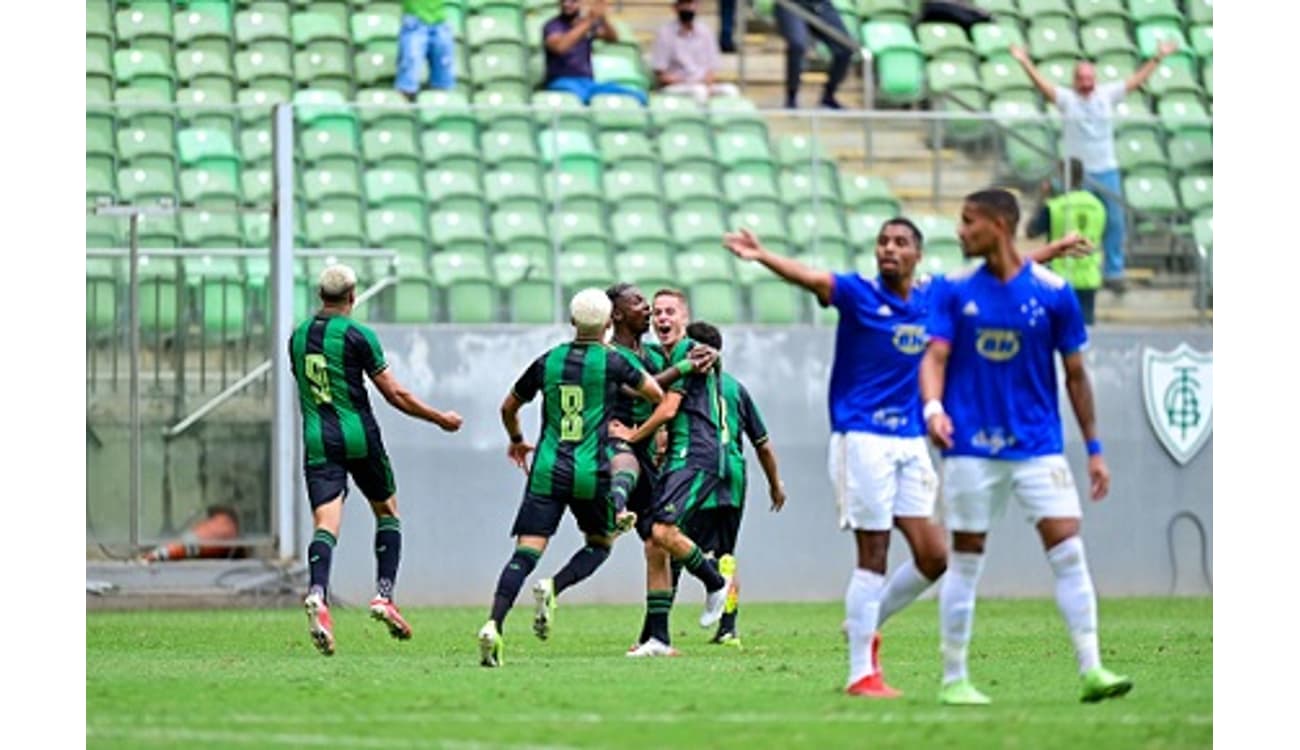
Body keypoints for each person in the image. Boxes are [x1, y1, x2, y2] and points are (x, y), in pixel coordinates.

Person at [722, 218, 1088, 695]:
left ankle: (865, 621)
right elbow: (812, 278)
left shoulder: (936, 296)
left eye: (900, 243)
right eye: (882, 242)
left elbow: (999, 278)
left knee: (935, 555)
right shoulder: (858, 293)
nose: (888, 249)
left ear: (917, 254)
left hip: (913, 440)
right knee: (873, 553)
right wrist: (763, 255)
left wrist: (1053, 250)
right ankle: (860, 672)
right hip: (863, 436)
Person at [919, 188, 1132, 705]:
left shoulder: (1055, 294)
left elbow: (1077, 376)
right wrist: (933, 409)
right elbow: (935, 358)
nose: (959, 231)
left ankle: (1093, 669)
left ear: (999, 224)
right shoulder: (953, 290)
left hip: (1039, 448)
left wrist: (1096, 449)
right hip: (971, 448)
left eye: (968, 221)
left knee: (1068, 551)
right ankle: (954, 679)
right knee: (966, 559)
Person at [477, 288, 670, 667]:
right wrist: (635, 431)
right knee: (600, 544)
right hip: (590, 471)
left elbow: (508, 406)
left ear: (572, 322)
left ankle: (493, 625)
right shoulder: (614, 362)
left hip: (547, 470)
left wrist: (517, 440)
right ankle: (554, 587)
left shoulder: (548, 361)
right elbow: (656, 394)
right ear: (606, 323)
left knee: (525, 554)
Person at [290, 264, 464, 657]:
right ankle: (384, 596)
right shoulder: (358, 335)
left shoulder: (298, 336)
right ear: (353, 296)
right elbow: (395, 394)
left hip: (318, 438)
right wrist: (439, 418)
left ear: (321, 295)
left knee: (326, 523)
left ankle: (318, 592)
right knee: (387, 511)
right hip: (359, 435)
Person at [528, 283, 715, 643]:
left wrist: (708, 356)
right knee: (657, 535)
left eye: (650, 303)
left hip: (645, 455)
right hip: (613, 451)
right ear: (615, 315)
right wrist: (684, 366)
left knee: (644, 544)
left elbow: (667, 391)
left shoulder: (651, 355)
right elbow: (637, 389)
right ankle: (620, 505)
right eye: (639, 303)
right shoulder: (610, 354)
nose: (647, 309)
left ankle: (648, 635)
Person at [612, 287, 734, 657]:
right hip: (677, 455)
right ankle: (658, 639)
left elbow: (665, 410)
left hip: (698, 451)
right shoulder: (660, 356)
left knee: (664, 531)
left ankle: (715, 582)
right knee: (654, 544)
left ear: (684, 318)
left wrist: (633, 436)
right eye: (658, 312)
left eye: (671, 312)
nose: (662, 318)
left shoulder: (689, 350)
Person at [1009, 40, 1179, 294]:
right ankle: (1061, 267)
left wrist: (1157, 58)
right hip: (1077, 174)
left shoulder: (1106, 96)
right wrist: (1025, 63)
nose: (1086, 82)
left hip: (1106, 168)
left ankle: (1113, 271)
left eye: (1090, 77)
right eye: (1081, 78)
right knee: (1065, 218)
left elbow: (1135, 82)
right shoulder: (1068, 99)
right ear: (1074, 80)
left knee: (1114, 221)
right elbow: (1043, 87)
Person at [677, 320, 787, 647]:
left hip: (702, 472)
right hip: (735, 478)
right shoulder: (735, 388)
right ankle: (728, 628)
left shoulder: (686, 388)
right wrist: (775, 484)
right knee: (727, 555)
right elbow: (762, 443)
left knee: (675, 542)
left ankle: (658, 629)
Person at [1027, 158, 1106, 325]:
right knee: (1084, 333)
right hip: (1088, 277)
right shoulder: (1098, 205)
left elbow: (1031, 231)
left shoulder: (1055, 206)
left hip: (1059, 278)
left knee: (1058, 331)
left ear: (1062, 176)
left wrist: (1042, 198)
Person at [543, 0, 648, 105]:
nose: (567, 4)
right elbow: (559, 47)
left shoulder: (585, 24)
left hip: (588, 82)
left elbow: (612, 37)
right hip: (562, 81)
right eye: (564, 1)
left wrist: (602, 17)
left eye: (573, 1)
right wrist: (589, 21)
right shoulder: (553, 26)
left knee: (637, 96)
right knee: (579, 101)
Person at [650, 0, 740, 105]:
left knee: (731, 91)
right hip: (677, 86)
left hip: (703, 84)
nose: (687, 8)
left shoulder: (705, 32)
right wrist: (686, 81)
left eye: (690, 4)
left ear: (696, 6)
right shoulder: (665, 34)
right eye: (684, 5)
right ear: (675, 8)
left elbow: (711, 68)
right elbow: (661, 74)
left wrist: (708, 84)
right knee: (699, 91)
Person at [775, 0, 853, 109]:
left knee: (845, 47)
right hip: (789, 4)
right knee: (797, 45)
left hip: (821, 4)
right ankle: (791, 97)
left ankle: (828, 96)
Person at [395, 0, 456, 101]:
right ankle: (403, 111)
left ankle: (438, 111)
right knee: (409, 72)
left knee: (443, 76)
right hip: (415, 21)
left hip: (439, 21)